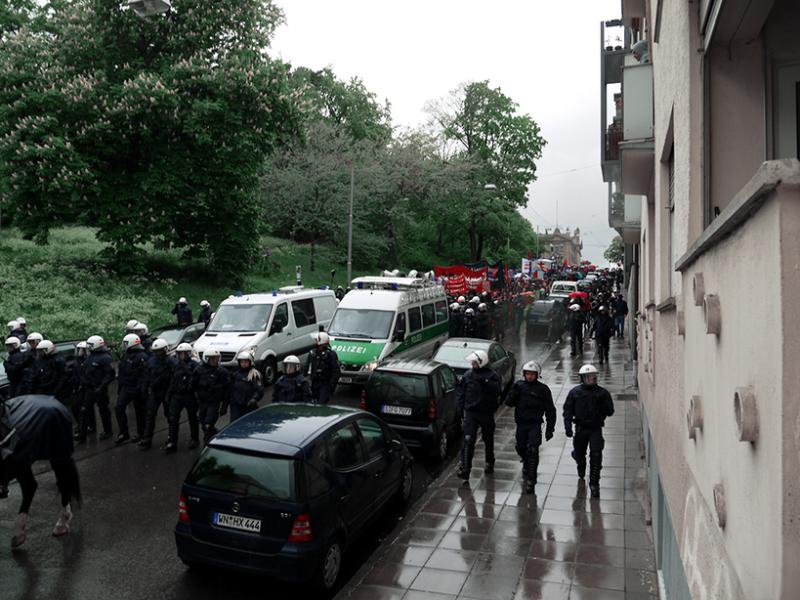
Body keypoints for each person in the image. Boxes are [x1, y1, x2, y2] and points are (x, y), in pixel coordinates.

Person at [0, 395, 82, 547]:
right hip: (13, 409)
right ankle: (20, 523)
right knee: (24, 475)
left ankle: (65, 511)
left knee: (60, 466)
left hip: (27, 418)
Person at [563, 364, 615, 498]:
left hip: (595, 429)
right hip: (580, 429)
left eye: (592, 377)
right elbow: (567, 410)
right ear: (582, 378)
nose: (590, 379)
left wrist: (603, 405)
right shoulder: (575, 392)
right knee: (580, 453)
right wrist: (568, 427)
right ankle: (580, 462)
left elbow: (610, 411)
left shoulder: (602, 393)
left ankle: (594, 484)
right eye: (587, 377)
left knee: (596, 456)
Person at [505, 361, 556, 493]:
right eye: (527, 374)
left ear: (537, 375)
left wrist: (550, 428)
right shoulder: (519, 386)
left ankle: (531, 479)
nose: (530, 377)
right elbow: (509, 403)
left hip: (534, 424)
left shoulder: (543, 390)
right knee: (521, 447)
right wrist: (513, 393)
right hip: (521, 424)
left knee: (533, 449)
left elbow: (550, 409)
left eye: (532, 374)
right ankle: (526, 463)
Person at [456, 350, 501, 480]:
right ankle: (465, 468)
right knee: (468, 440)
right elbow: (461, 392)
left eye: (476, 362)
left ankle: (489, 461)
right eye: (473, 362)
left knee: (488, 439)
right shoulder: (468, 375)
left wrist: (486, 382)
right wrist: (460, 408)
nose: (473, 365)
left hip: (486, 413)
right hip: (471, 413)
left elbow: (497, 391)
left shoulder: (492, 376)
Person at [75, 336, 115, 443]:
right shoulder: (90, 357)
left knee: (103, 411)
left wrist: (102, 386)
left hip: (99, 389)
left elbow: (110, 374)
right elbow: (85, 372)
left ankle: (108, 431)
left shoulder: (105, 358)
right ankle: (82, 433)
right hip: (89, 388)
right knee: (84, 410)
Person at [163, 343, 199, 452]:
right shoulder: (175, 365)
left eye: (185, 353)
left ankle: (194, 439)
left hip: (189, 395)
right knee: (173, 419)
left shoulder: (194, 365)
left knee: (192, 418)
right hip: (177, 395)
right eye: (180, 354)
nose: (182, 356)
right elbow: (172, 381)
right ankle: (172, 441)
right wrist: (168, 395)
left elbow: (195, 379)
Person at [139, 338, 174, 450]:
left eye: (160, 350)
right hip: (155, 392)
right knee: (150, 414)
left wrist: (171, 392)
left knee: (170, 415)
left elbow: (175, 377)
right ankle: (147, 439)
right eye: (156, 351)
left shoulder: (171, 361)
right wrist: (145, 389)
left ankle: (171, 438)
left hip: (167, 391)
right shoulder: (151, 361)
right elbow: (146, 376)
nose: (158, 353)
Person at [114, 334, 149, 444]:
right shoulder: (126, 355)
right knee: (119, 408)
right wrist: (120, 388)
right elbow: (122, 373)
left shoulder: (142, 356)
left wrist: (141, 389)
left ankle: (141, 433)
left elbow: (144, 375)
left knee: (140, 412)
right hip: (126, 387)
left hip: (136, 388)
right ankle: (124, 432)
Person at [192, 348, 230, 445]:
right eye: (212, 359)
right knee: (202, 422)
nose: (214, 361)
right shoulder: (199, 370)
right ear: (206, 359)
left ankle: (207, 443)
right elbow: (193, 385)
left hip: (214, 402)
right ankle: (216, 434)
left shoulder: (222, 372)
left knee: (209, 423)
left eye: (216, 358)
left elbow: (227, 390)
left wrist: (224, 406)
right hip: (202, 402)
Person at [224, 351, 263, 421]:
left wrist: (254, 399)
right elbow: (230, 389)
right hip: (236, 405)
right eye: (242, 362)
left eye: (246, 362)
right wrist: (226, 403)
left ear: (250, 362)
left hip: (248, 404)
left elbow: (259, 390)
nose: (243, 364)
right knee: (234, 423)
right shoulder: (235, 374)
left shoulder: (254, 374)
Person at [307, 333, 340, 404]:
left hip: (325, 384)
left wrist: (331, 387)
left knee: (321, 404)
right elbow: (307, 369)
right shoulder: (313, 353)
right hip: (314, 383)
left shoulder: (330, 355)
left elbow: (336, 372)